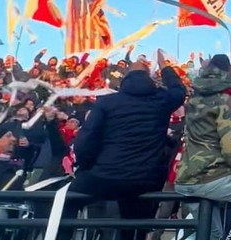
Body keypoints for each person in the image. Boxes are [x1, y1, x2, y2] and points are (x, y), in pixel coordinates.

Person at [58, 61, 186, 240]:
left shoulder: (107, 102)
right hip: (145, 179)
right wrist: (165, 67)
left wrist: (87, 167)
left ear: (125, 77)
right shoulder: (162, 99)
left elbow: (86, 140)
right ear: (149, 77)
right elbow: (179, 91)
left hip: (106, 174)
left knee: (68, 201)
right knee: (134, 227)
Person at [174, 54, 231, 240]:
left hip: (185, 180)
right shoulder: (226, 101)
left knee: (213, 233)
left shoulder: (192, 100)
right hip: (210, 179)